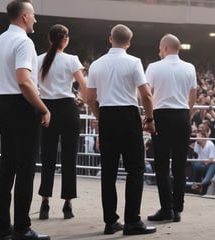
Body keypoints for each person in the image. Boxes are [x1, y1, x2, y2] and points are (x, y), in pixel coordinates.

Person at [0, 1, 51, 239]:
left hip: (4, 102)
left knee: (7, 167)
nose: (35, 20)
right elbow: (24, 81)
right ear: (25, 17)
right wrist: (43, 108)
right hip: (22, 105)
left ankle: (3, 227)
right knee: (25, 169)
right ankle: (22, 228)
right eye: (33, 15)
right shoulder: (24, 42)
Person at [87, 24, 156, 236]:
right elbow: (146, 95)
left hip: (107, 115)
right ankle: (132, 221)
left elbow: (90, 98)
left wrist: (101, 118)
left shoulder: (96, 64)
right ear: (128, 42)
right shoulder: (134, 62)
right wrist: (150, 119)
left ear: (110, 39)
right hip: (128, 116)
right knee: (135, 170)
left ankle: (110, 222)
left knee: (108, 172)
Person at [37, 24, 87, 220]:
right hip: (68, 108)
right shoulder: (71, 59)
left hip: (46, 109)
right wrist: (81, 98)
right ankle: (67, 204)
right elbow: (84, 85)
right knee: (69, 158)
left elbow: (33, 86)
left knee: (47, 157)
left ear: (50, 39)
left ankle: (44, 203)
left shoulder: (39, 59)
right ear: (65, 40)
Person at [145, 34, 197, 222]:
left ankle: (166, 208)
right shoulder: (190, 67)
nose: (159, 50)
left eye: (160, 47)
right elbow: (193, 95)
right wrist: (188, 115)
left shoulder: (153, 67)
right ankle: (178, 209)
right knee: (179, 165)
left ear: (165, 47)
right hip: (182, 116)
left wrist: (148, 116)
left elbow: (146, 94)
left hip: (161, 116)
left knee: (161, 165)